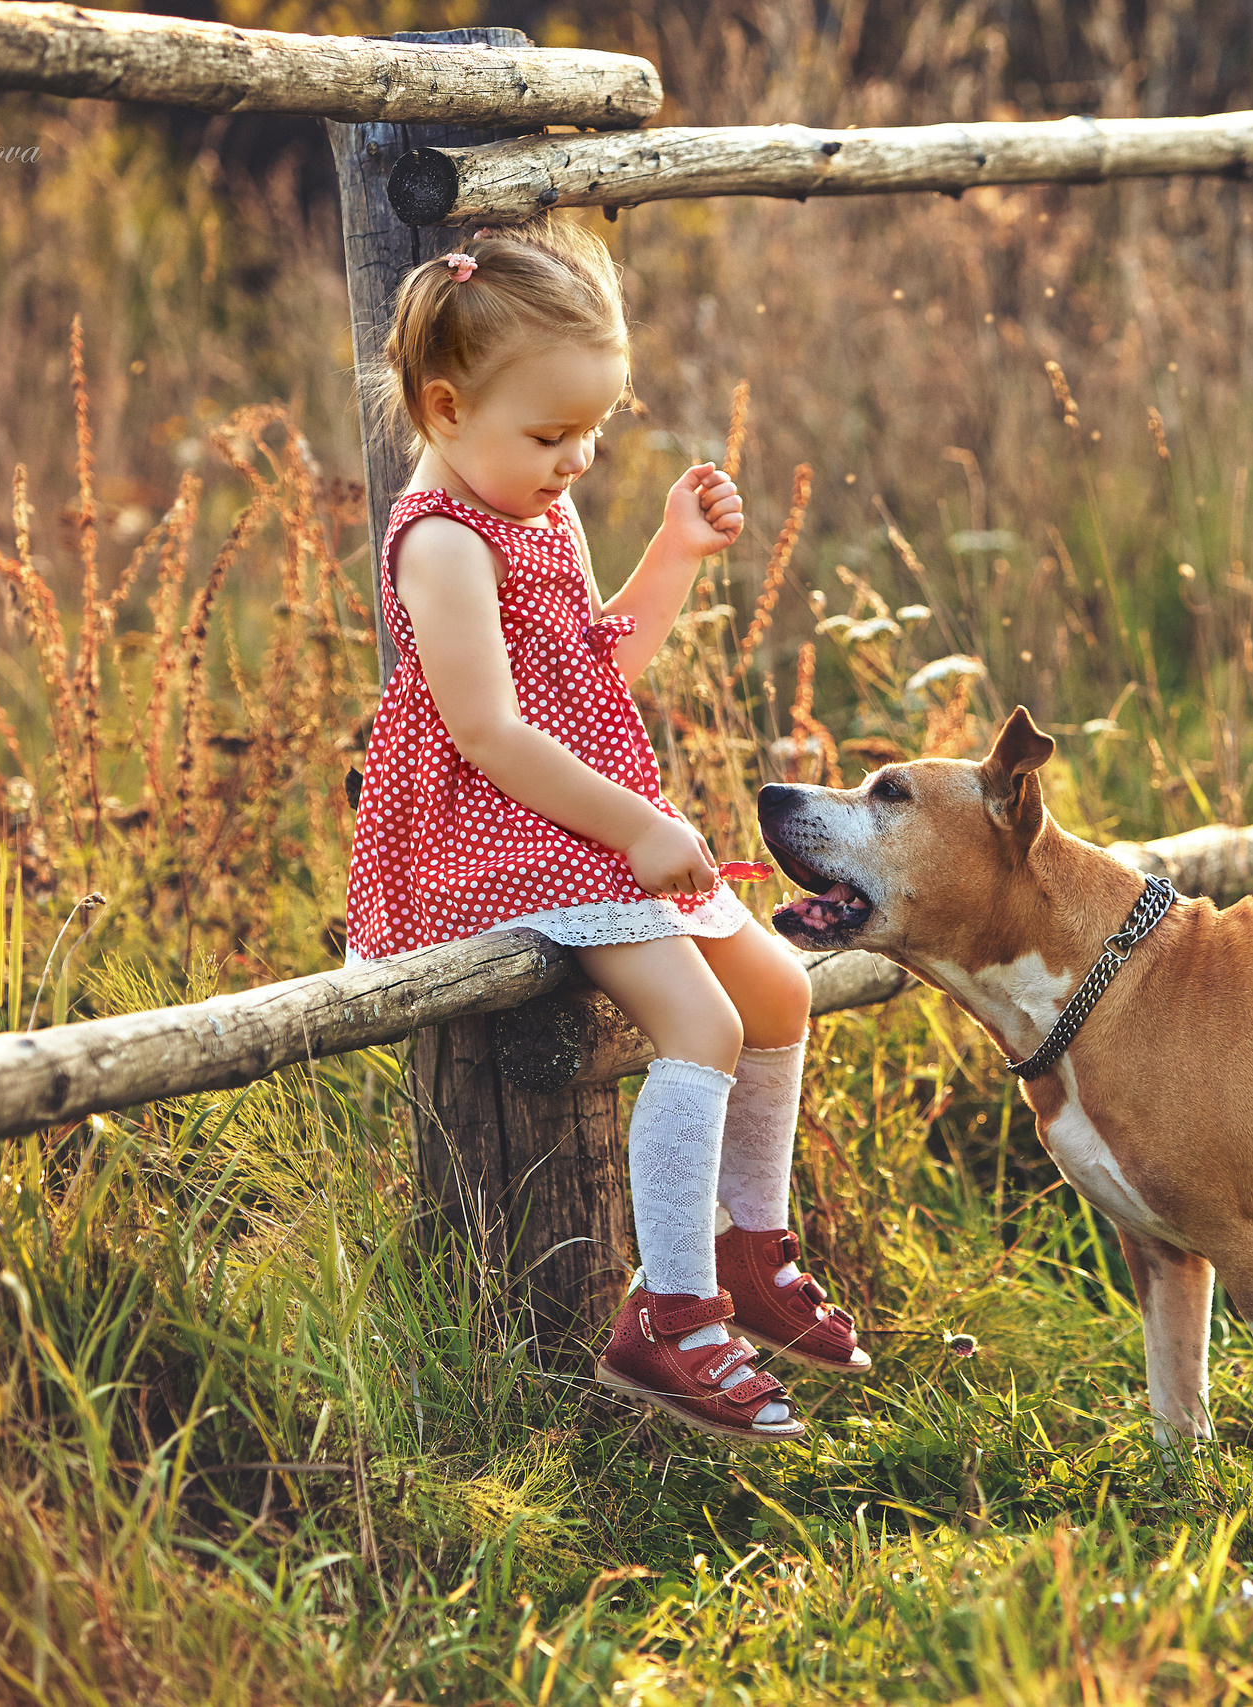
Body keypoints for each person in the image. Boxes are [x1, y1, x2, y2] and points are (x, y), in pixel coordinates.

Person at [347, 224, 867, 1443]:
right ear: (444, 406)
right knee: (701, 1021)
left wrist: (675, 555)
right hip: (493, 838)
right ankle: (668, 1319)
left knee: (778, 991)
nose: (578, 459)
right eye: (549, 436)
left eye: (596, 430)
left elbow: (596, 669)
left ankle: (748, 1251)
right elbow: (487, 732)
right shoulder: (440, 541)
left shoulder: (537, 509)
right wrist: (637, 824)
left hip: (580, 816)